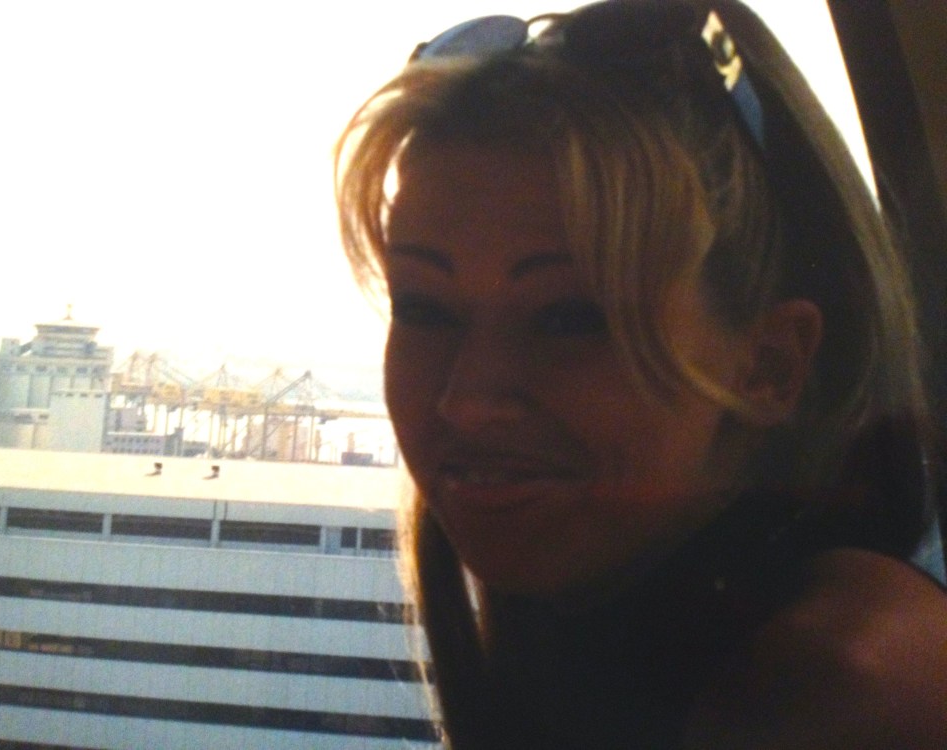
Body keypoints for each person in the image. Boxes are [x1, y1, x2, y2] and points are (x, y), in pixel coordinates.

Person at [335, 1, 947, 747]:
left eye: (569, 317)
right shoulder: (616, 619)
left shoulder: (833, 693)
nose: (467, 402)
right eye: (424, 308)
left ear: (768, 365)